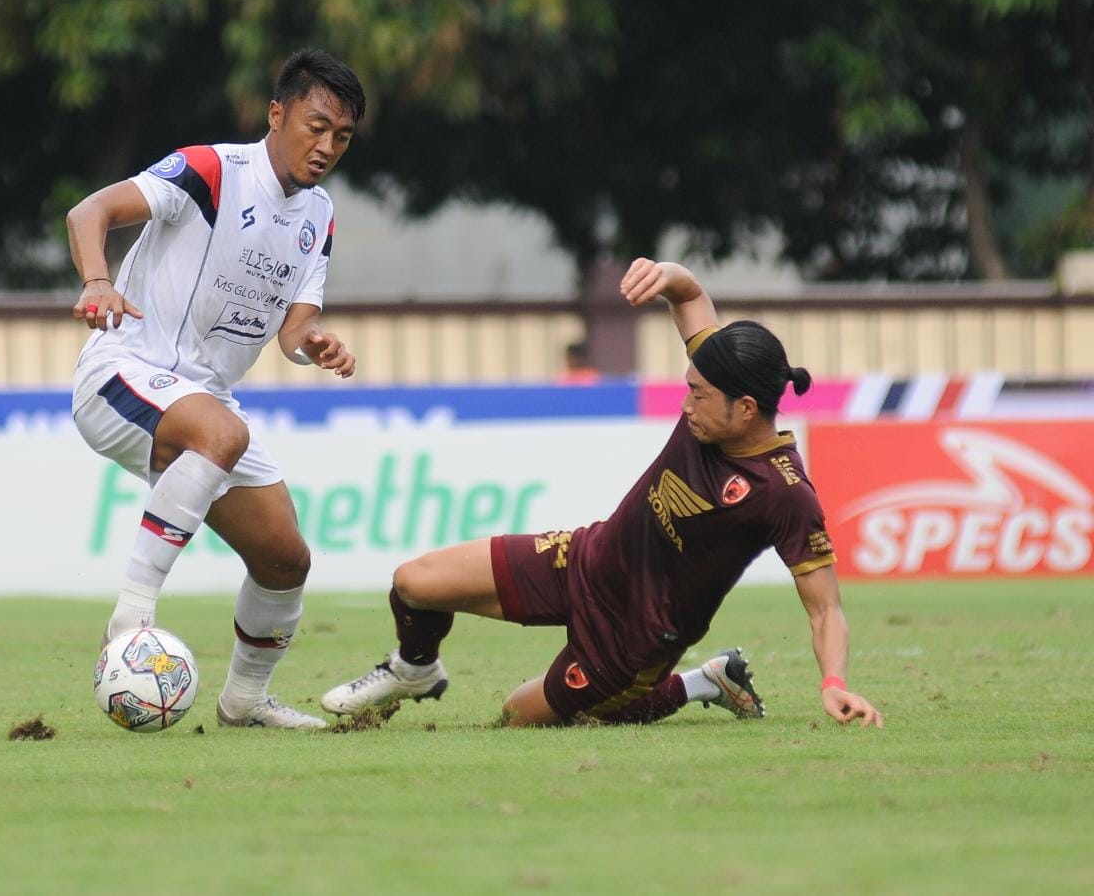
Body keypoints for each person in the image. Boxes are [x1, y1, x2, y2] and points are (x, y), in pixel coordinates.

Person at [322, 257, 884, 729]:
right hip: (586, 559)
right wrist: (668, 275)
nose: (686, 406)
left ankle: (699, 683)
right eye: (687, 388)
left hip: (635, 636)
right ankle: (415, 667)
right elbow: (691, 297)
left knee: (516, 716)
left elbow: (826, 607)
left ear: (745, 408)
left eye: (699, 396)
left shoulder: (784, 494)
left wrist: (834, 682)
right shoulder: (718, 382)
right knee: (414, 582)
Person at [68, 49, 366, 730]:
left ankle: (245, 700)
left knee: (285, 557)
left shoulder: (318, 215)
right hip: (120, 370)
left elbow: (295, 328)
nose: (325, 148)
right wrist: (96, 282)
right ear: (277, 112)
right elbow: (89, 212)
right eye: (315, 127)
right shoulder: (210, 170)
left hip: (203, 404)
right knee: (223, 434)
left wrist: (313, 342)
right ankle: (133, 614)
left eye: (341, 137)